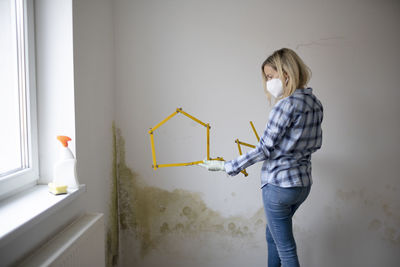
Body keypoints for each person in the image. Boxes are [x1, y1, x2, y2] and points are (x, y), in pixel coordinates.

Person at [199, 48, 324, 267]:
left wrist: (227, 166)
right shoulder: (314, 103)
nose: (268, 83)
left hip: (278, 186)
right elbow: (315, 144)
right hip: (302, 186)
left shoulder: (284, 106)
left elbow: (264, 149)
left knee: (286, 249)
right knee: (273, 237)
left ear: (286, 73)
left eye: (270, 77)